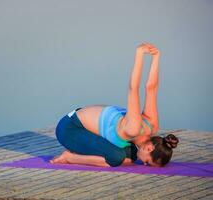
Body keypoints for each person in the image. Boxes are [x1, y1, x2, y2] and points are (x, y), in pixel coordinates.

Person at [50, 42, 179, 167]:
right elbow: (133, 88)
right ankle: (70, 157)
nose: (144, 164)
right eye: (147, 162)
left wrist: (156, 57)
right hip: (70, 129)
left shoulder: (152, 126)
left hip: (86, 123)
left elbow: (152, 88)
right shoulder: (133, 128)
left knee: (131, 156)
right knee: (116, 157)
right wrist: (139, 54)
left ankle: (85, 149)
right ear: (149, 148)